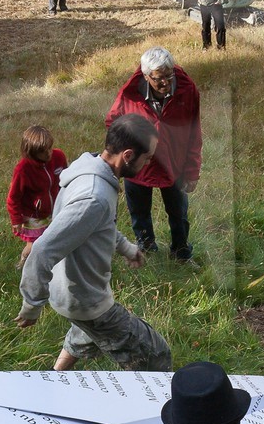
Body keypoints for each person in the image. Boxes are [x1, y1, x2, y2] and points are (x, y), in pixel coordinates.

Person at [15, 115, 172, 371]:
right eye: (148, 158)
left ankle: (53, 381)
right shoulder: (94, 196)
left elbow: (98, 227)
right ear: (129, 155)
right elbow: (42, 249)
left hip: (70, 291)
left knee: (85, 334)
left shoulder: (88, 168)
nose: (149, 163)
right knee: (156, 356)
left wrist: (127, 249)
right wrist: (32, 304)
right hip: (83, 299)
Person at [105, 47, 202, 263]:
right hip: (139, 167)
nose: (166, 83)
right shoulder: (130, 94)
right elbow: (113, 123)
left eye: (170, 76)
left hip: (174, 163)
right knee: (139, 214)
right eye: (159, 78)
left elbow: (195, 132)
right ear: (146, 75)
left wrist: (192, 170)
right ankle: (146, 251)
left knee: (179, 214)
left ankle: (181, 254)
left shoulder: (187, 90)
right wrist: (127, 155)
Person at [6, 124, 67, 267]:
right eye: (42, 151)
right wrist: (16, 219)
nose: (48, 153)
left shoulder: (58, 156)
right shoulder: (23, 169)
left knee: (55, 239)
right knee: (35, 244)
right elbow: (13, 197)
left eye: (49, 148)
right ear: (31, 152)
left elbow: (66, 177)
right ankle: (23, 263)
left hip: (56, 209)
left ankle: (53, 266)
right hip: (34, 215)